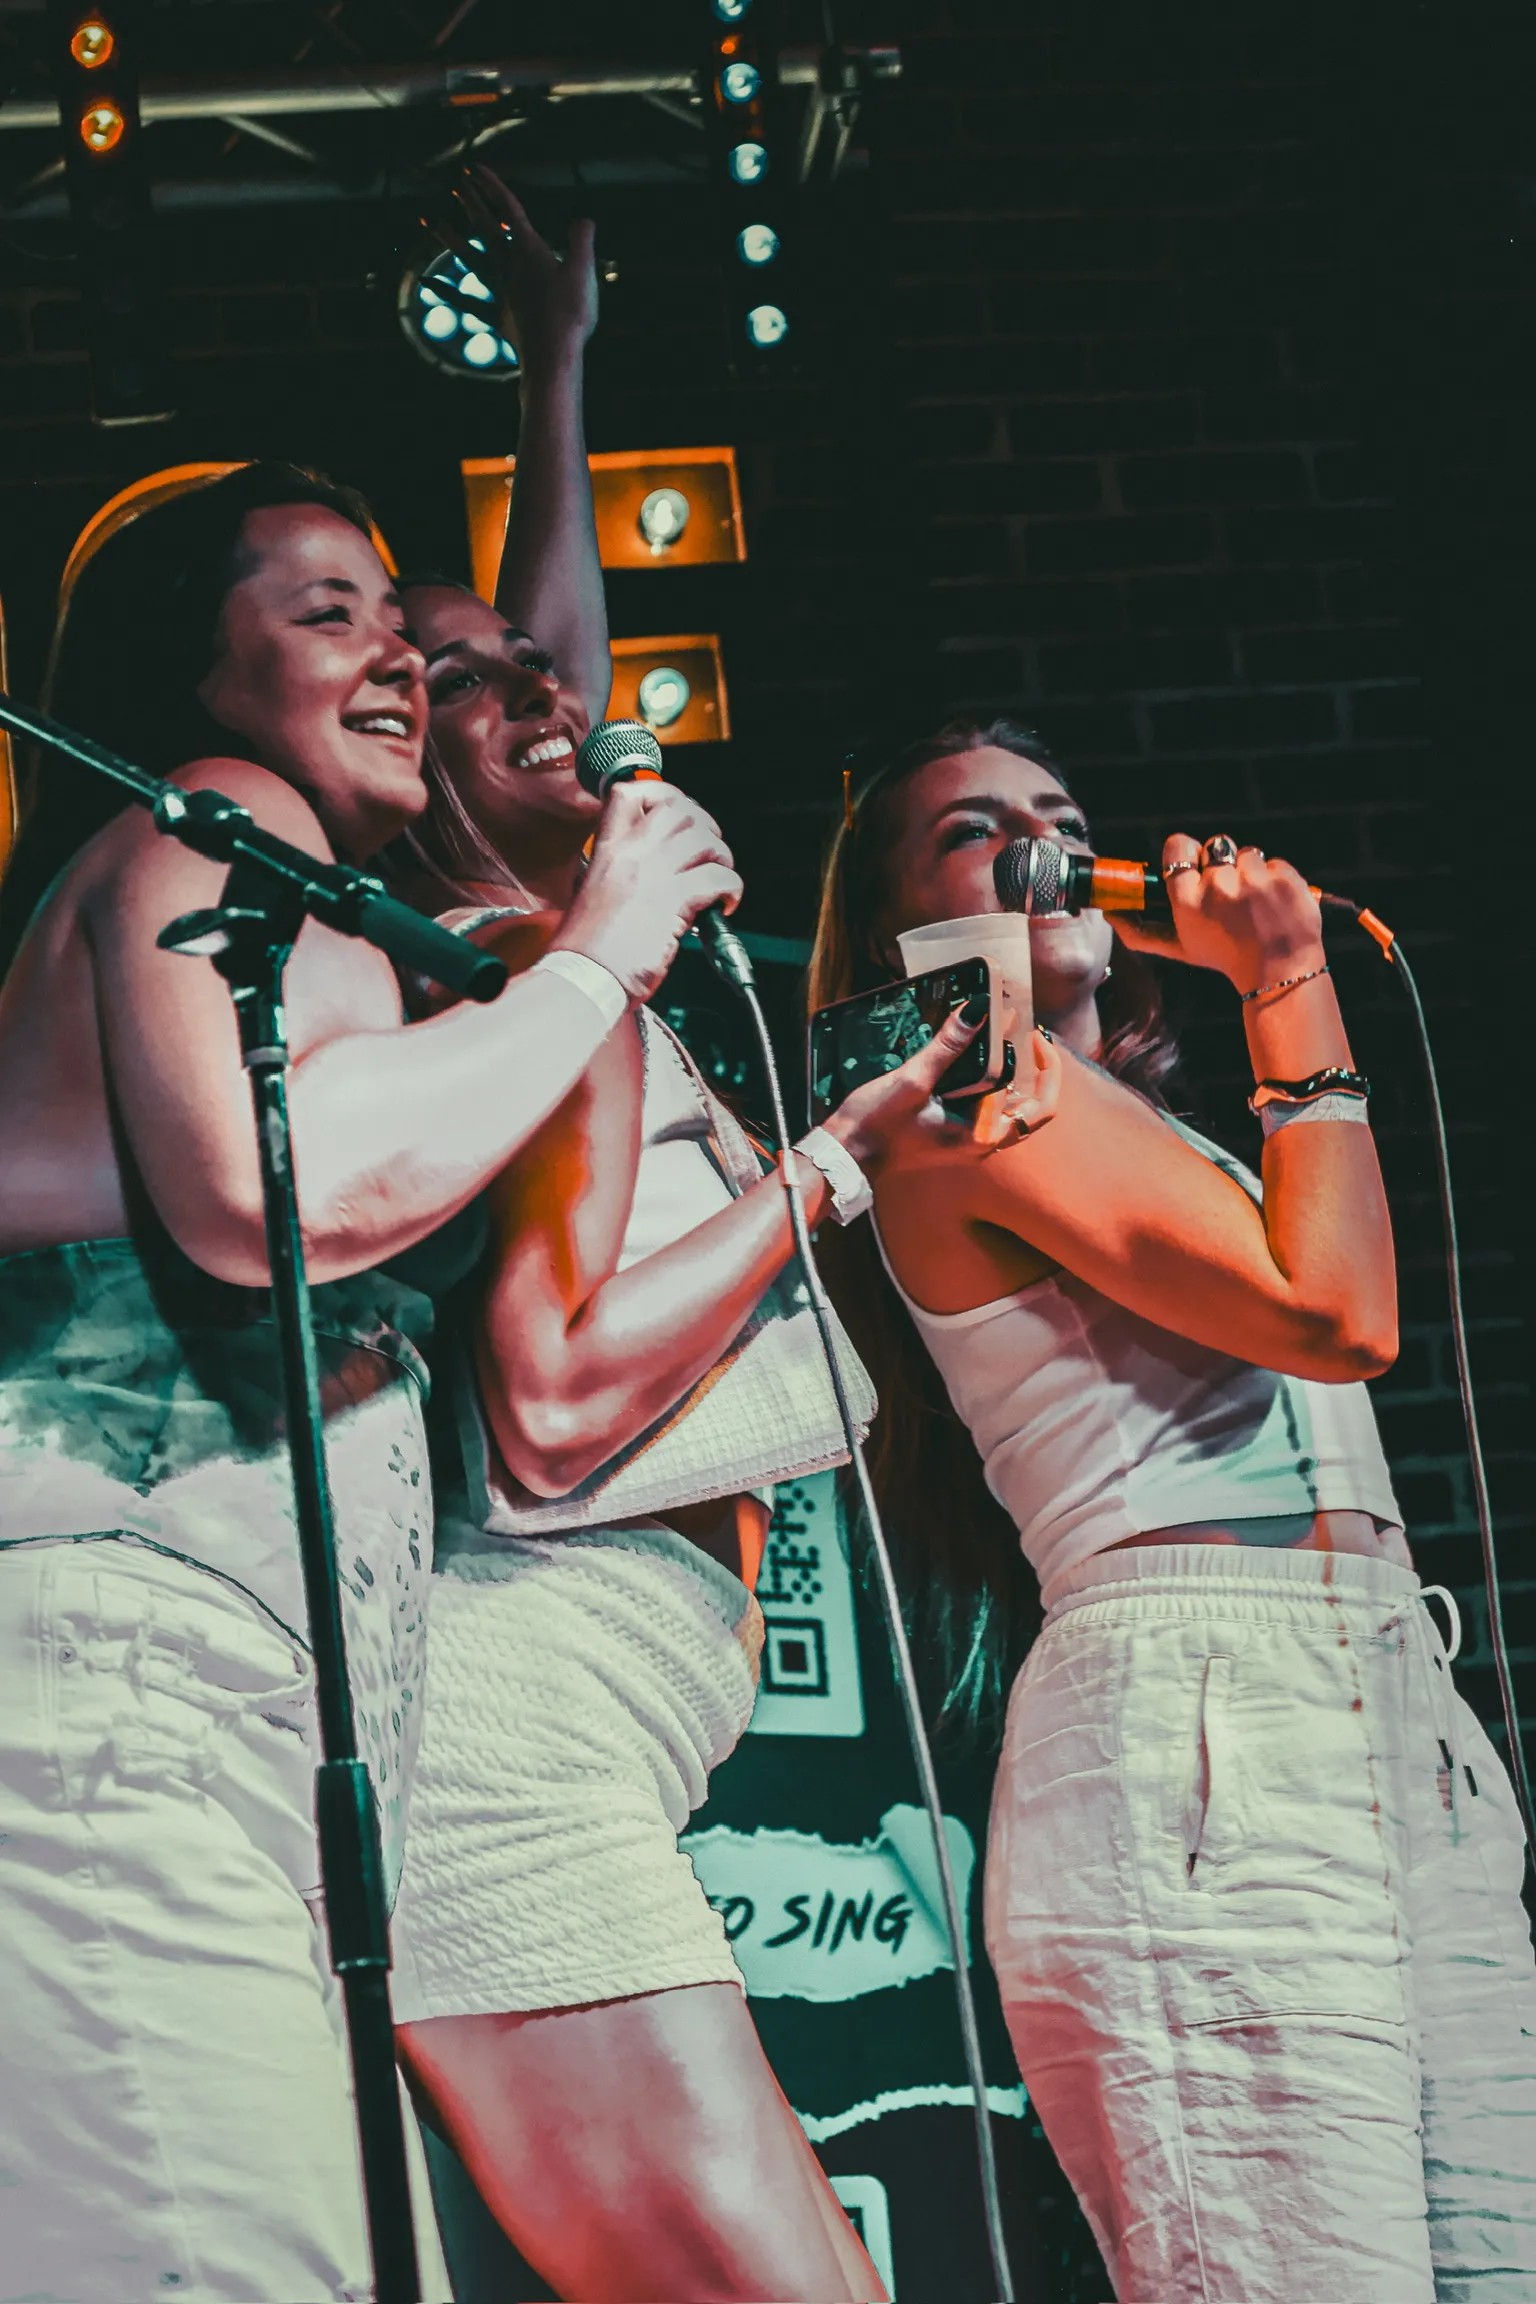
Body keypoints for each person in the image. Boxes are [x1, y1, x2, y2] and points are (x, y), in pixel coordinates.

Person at [0, 457, 740, 2304]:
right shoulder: (223, 819)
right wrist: (594, 962)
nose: (400, 652)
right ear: (195, 673)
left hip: (201, 1714)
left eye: (400, 617)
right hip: (119, 1700)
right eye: (328, 614)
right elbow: (291, 1187)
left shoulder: (285, 873)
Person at [808, 714, 1536, 2304]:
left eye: (1058, 812)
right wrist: (1285, 981)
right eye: (971, 828)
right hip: (1207, 1707)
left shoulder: (1150, 1124)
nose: (1038, 841)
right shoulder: (958, 1092)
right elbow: (1337, 1315)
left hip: (1386, 1696)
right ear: (891, 922)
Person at [379, 592, 991, 2297]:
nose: (544, 691)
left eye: (539, 661)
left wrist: (565, 338)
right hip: (520, 1740)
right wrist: (835, 1163)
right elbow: (554, 1410)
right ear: (394, 742)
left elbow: (546, 637)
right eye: (461, 680)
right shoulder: (521, 986)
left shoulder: (542, 985)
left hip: (594, 1723)